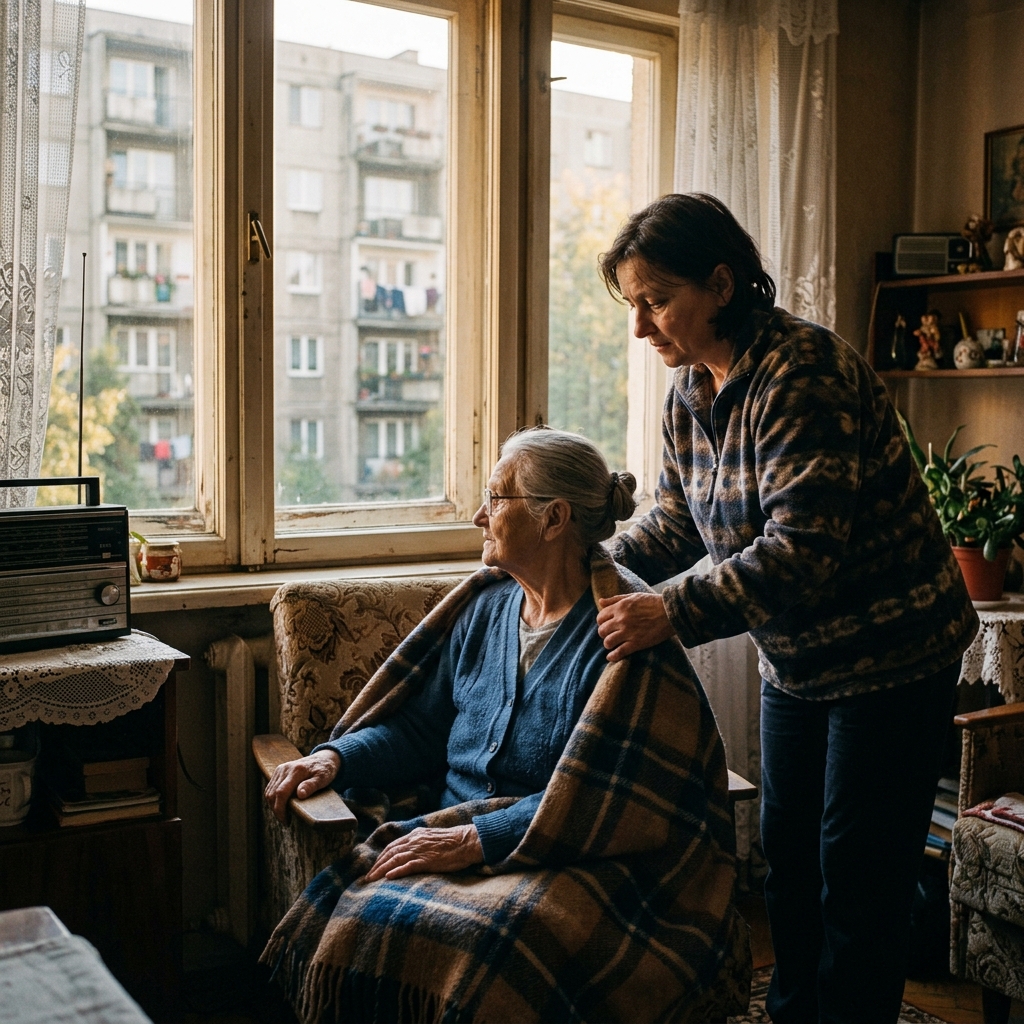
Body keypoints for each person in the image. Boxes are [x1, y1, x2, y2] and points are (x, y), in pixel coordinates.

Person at [593, 193, 979, 1023]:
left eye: (655, 301)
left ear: (723, 284)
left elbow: (800, 550)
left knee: (859, 869)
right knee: (789, 860)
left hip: (894, 655)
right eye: (634, 305)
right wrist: (590, 567)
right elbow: (674, 526)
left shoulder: (805, 373)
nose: (641, 327)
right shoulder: (689, 394)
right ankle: (796, 1012)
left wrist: (667, 614)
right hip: (799, 661)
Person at [260, 427, 746, 1023]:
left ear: (554, 518)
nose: (476, 516)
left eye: (495, 498)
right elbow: (419, 730)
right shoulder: (487, 607)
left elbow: (601, 798)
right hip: (454, 826)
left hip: (575, 857)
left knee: (498, 956)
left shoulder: (621, 630)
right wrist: (336, 758)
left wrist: (471, 842)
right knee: (363, 916)